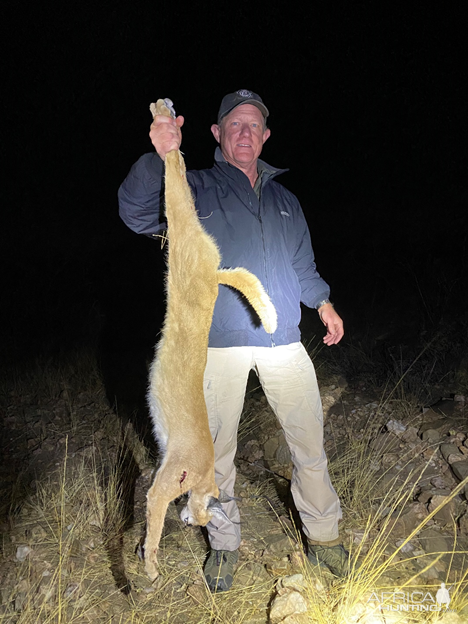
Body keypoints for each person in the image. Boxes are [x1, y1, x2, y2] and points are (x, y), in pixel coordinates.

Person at [118, 89, 349, 591]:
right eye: (234, 125)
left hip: (283, 339)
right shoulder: (196, 185)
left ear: (265, 136)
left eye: (254, 125)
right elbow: (137, 214)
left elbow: (302, 264)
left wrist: (324, 303)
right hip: (214, 347)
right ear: (217, 135)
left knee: (309, 444)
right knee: (214, 454)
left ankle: (326, 539)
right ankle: (223, 543)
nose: (245, 133)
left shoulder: (286, 199)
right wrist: (157, 156)